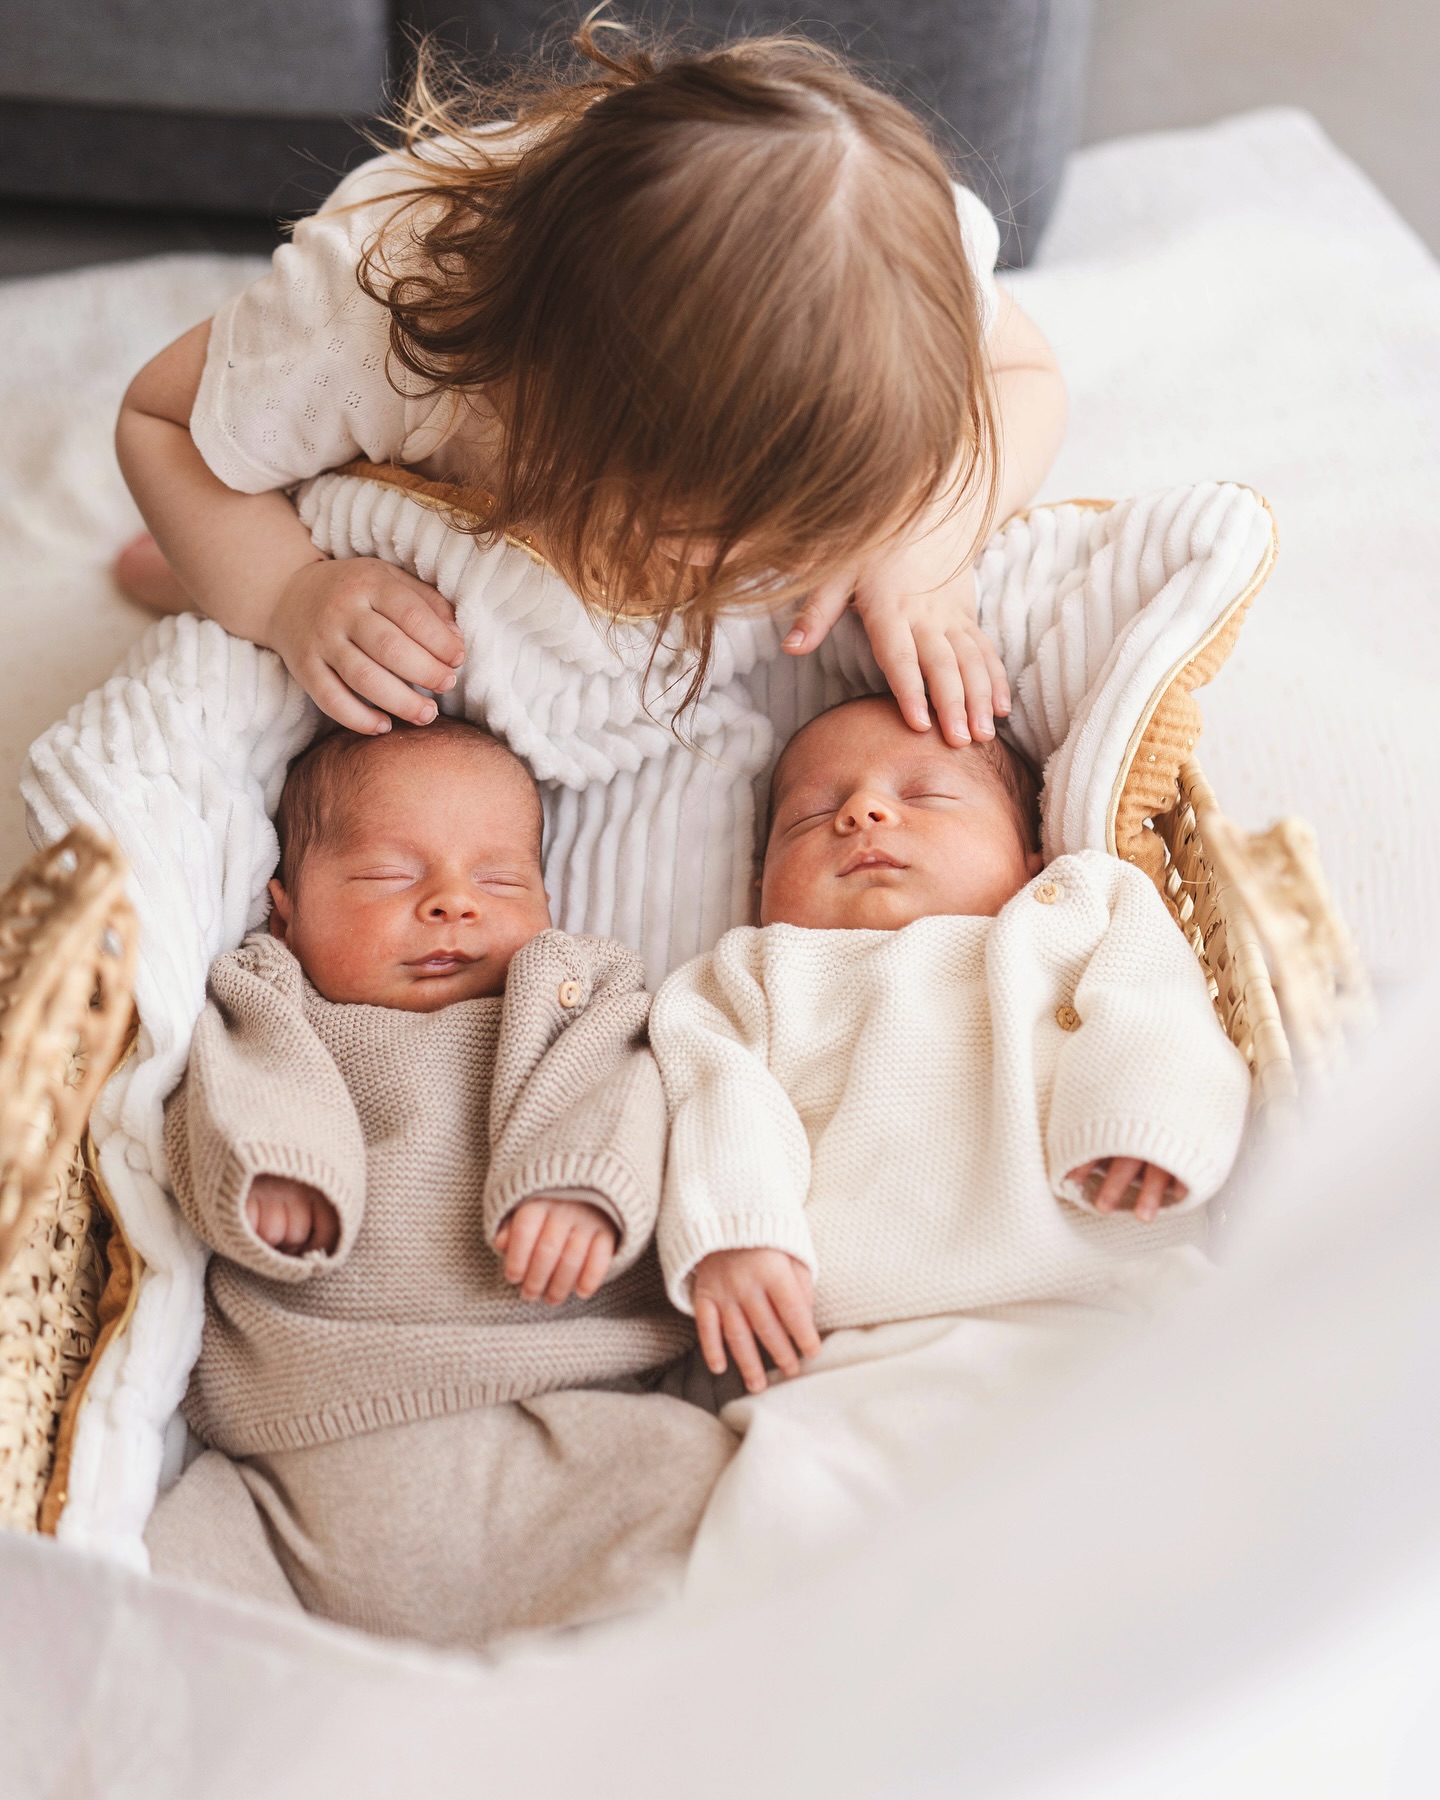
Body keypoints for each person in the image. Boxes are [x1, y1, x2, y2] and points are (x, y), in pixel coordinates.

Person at [112, 22, 1066, 755]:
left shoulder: (909, 258)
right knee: (248, 518)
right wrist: (285, 591)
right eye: (701, 547)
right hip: (392, 449)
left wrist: (925, 540)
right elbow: (155, 417)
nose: (758, 583)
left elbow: (1027, 377)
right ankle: (227, 541)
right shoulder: (369, 318)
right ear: (541, 400)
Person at [147, 716, 734, 1648]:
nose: (453, 904)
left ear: (546, 900)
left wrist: (580, 1186)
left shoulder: (572, 991)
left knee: (730, 1489)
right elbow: (229, 1098)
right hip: (298, 1475)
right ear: (285, 908)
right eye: (390, 875)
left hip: (567, 1435)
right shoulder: (271, 996)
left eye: (498, 880)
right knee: (148, 1594)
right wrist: (275, 1168)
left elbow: (620, 1089)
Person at [648, 694, 1252, 1594]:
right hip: (860, 1363)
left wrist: (1142, 1122)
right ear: (758, 891)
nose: (862, 814)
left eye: (925, 795)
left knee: (1179, 1518)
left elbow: (1154, 1007)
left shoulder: (1077, 908)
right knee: (792, 1552)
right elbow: (716, 1096)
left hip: (1098, 1312)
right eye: (812, 817)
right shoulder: (748, 977)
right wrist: (738, 1228)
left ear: (1027, 855)